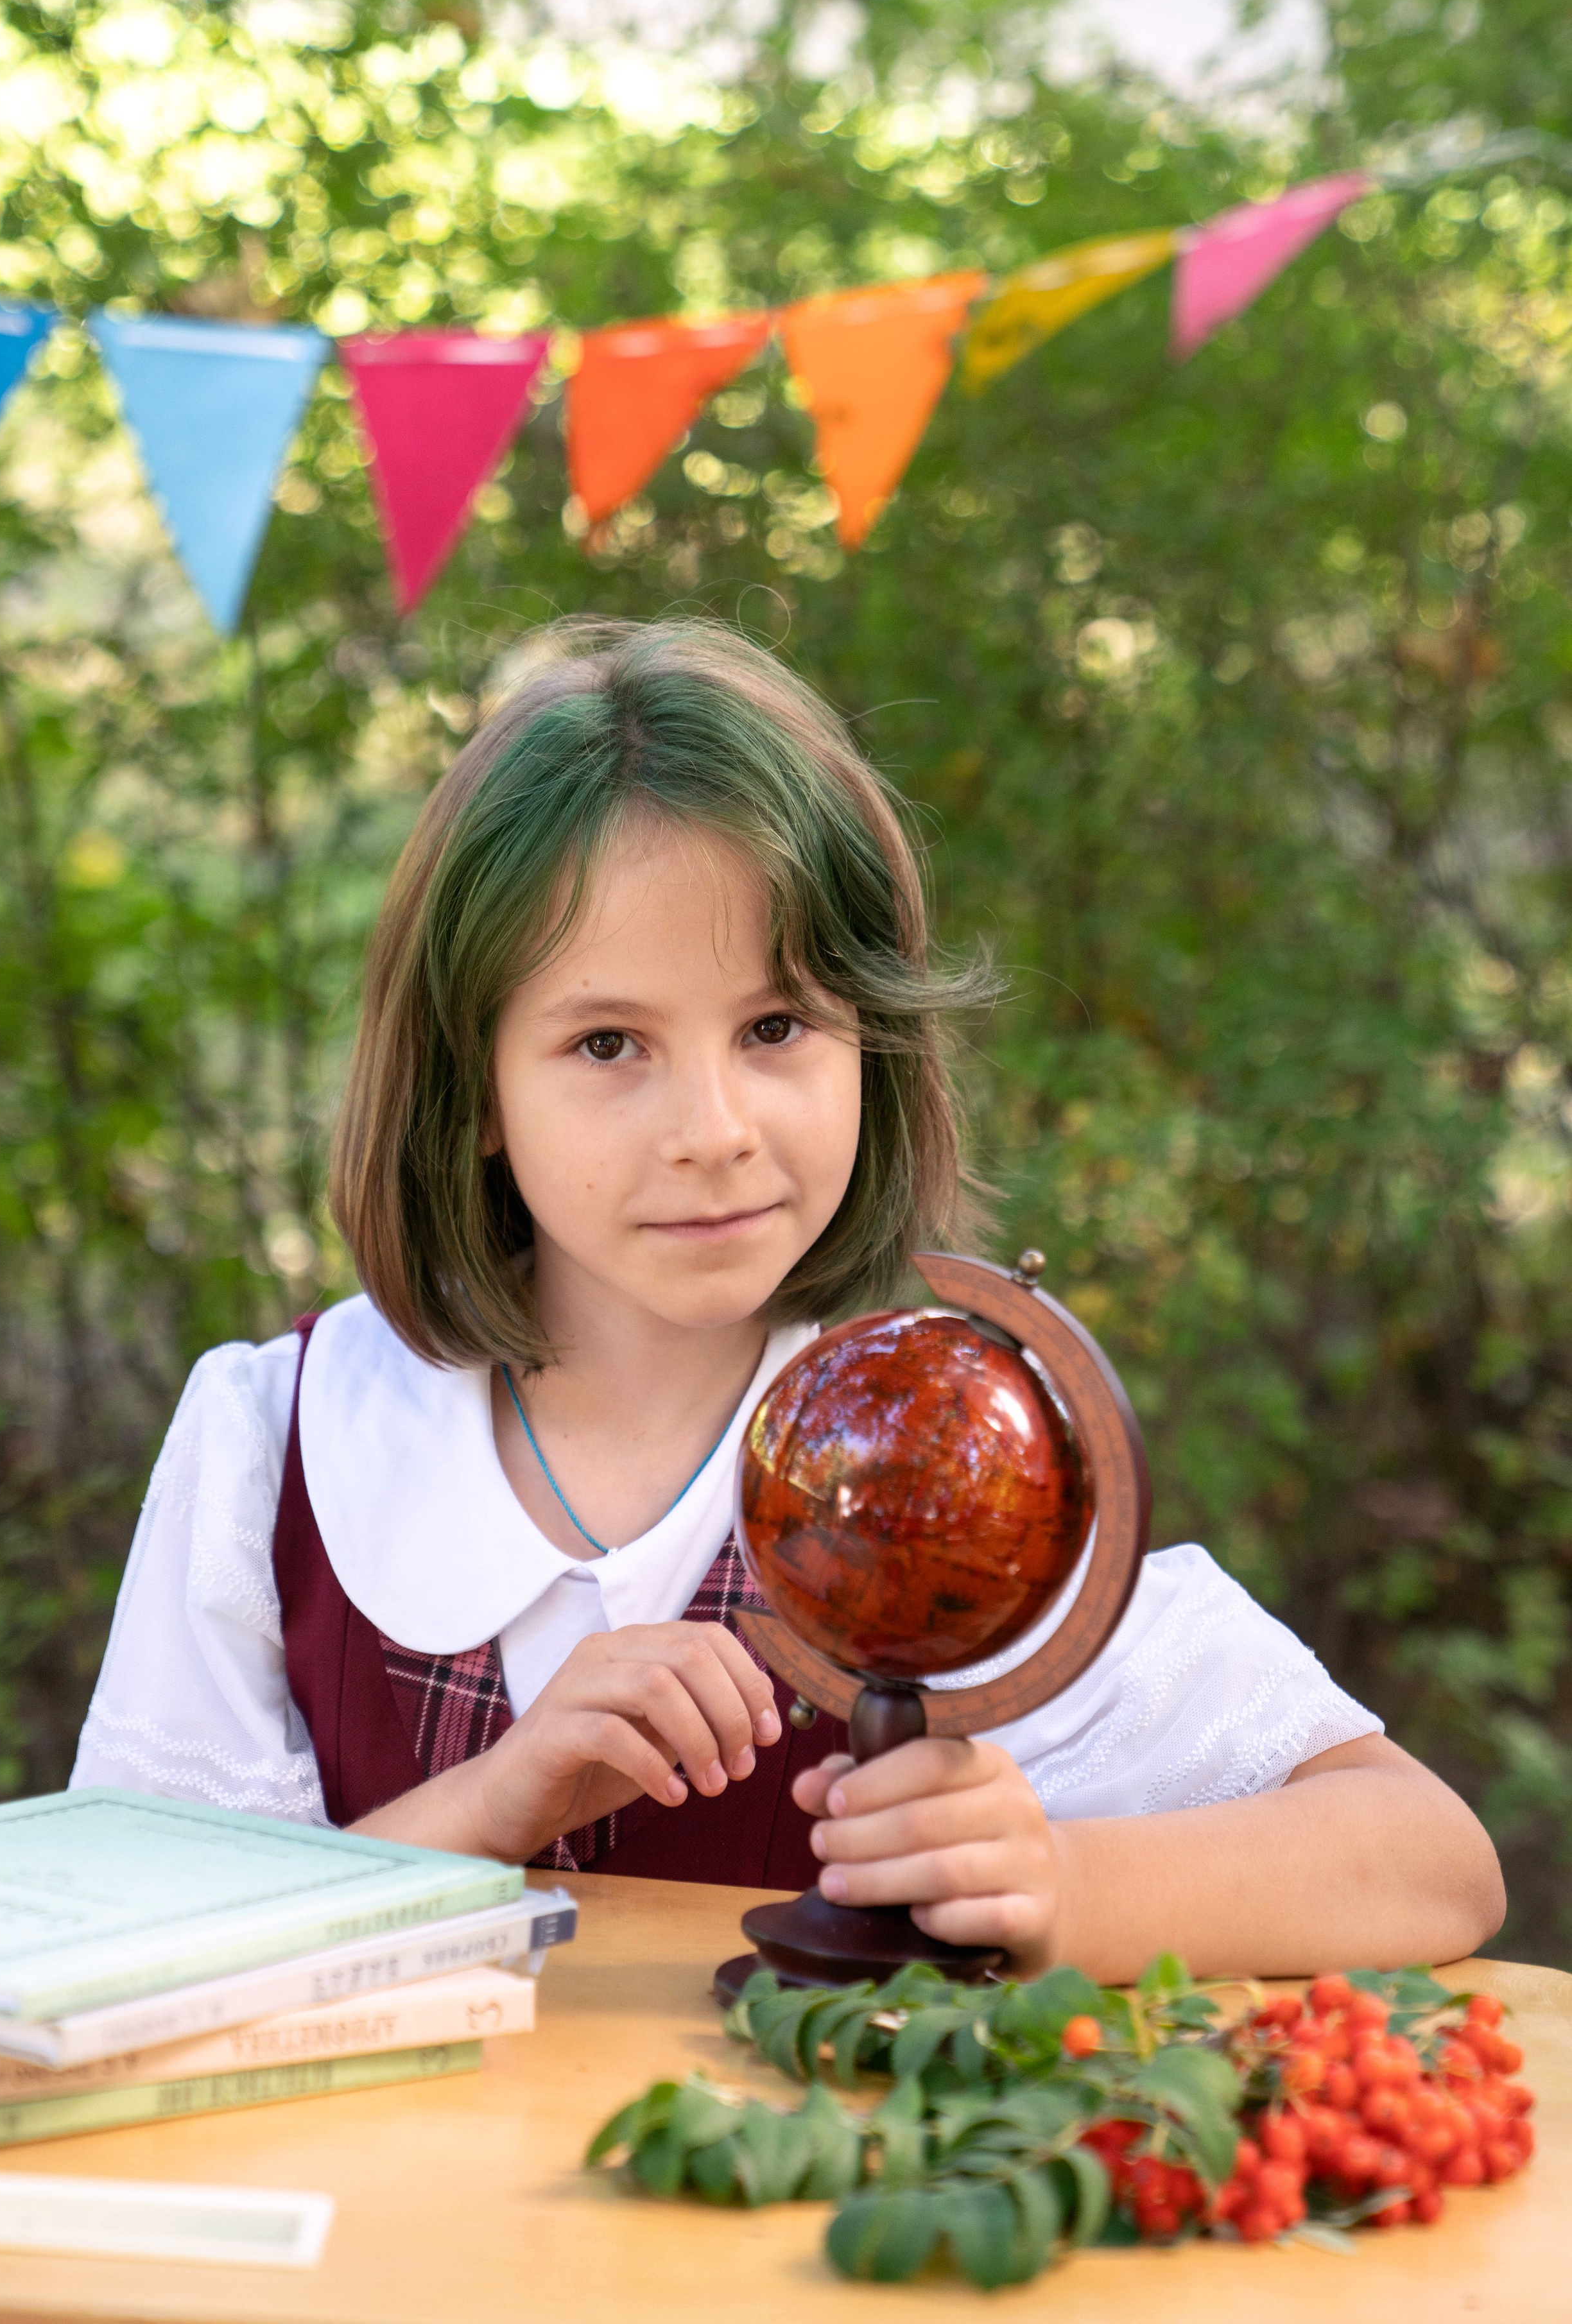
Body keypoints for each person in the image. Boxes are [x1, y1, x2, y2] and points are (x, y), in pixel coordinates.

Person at [73, 617, 1505, 1981]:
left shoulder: (936, 1457)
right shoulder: (283, 1438)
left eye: (774, 1027)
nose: (712, 1127)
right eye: (606, 1043)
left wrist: (1056, 1881)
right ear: (476, 1091)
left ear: (867, 1042)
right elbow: (107, 1957)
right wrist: (498, 1805)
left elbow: (1428, 1860)